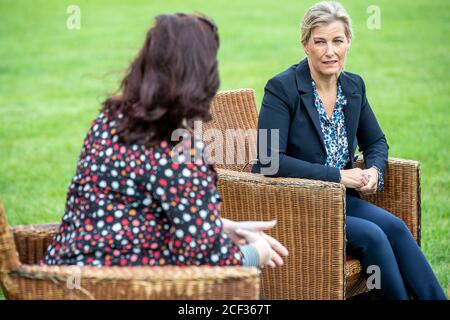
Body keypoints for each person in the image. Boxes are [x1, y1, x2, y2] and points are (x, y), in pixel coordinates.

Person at [43, 13, 288, 269]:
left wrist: (220, 227)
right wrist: (257, 252)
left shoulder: (109, 122)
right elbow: (209, 265)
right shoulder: (181, 150)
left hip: (62, 276)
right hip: (126, 286)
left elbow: (133, 212)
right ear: (203, 75)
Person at [252, 1, 445, 299]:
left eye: (337, 41)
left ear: (348, 42)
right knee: (373, 235)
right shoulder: (282, 89)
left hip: (343, 202)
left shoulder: (353, 87)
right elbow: (267, 161)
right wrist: (339, 176)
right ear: (305, 44)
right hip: (298, 203)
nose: (330, 51)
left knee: (394, 226)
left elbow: (376, 142)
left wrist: (374, 171)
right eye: (320, 42)